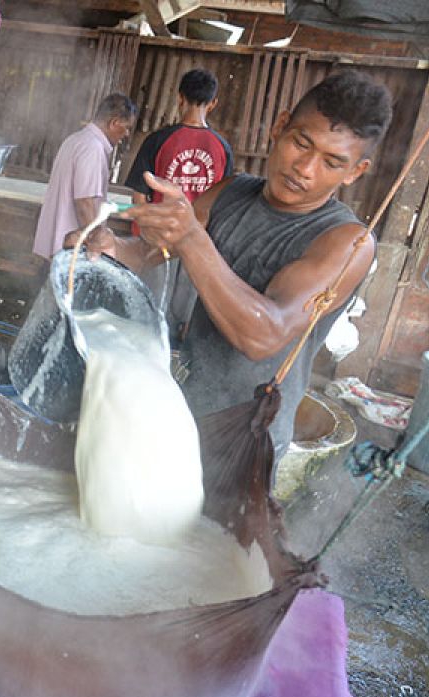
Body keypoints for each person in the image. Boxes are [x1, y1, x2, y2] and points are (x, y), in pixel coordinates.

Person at [73, 71, 392, 461]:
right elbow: (150, 254)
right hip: (182, 409)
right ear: (279, 127)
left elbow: (264, 335)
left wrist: (192, 237)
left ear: (355, 171)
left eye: (332, 162)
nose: (305, 169)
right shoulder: (231, 192)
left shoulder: (346, 242)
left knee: (215, 525)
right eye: (301, 143)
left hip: (248, 440)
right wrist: (112, 247)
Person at [32, 93, 137, 262]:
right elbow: (84, 202)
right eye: (127, 128)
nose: (126, 134)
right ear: (114, 123)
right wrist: (96, 243)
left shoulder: (76, 139)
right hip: (71, 252)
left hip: (58, 247)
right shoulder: (92, 148)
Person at [124, 68, 233, 207]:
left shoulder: (157, 140)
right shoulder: (223, 148)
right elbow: (224, 203)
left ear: (180, 98)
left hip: (159, 226)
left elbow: (139, 198)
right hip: (199, 229)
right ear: (213, 104)